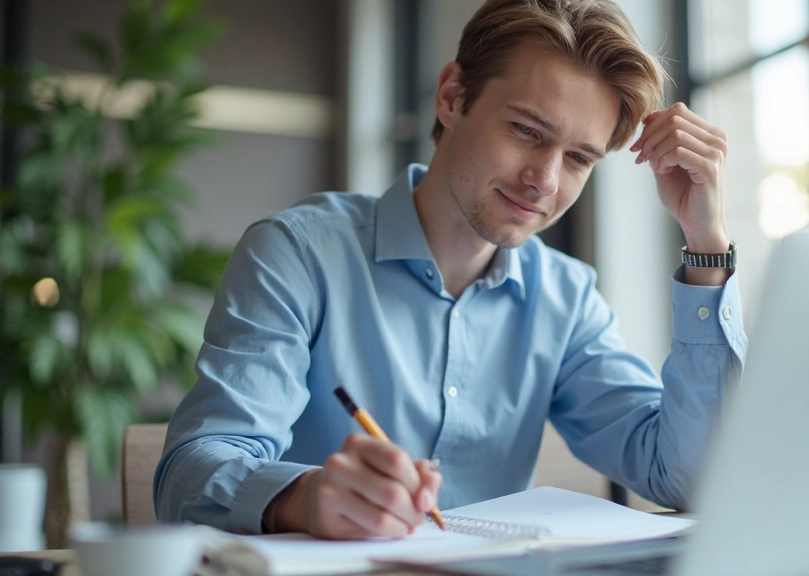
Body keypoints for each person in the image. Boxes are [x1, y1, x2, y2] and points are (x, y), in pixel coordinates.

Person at [154, 0, 747, 540]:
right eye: (525, 131)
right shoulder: (297, 255)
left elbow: (690, 479)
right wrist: (302, 497)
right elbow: (190, 472)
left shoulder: (566, 299)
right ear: (452, 96)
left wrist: (705, 242)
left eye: (577, 158)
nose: (543, 180)